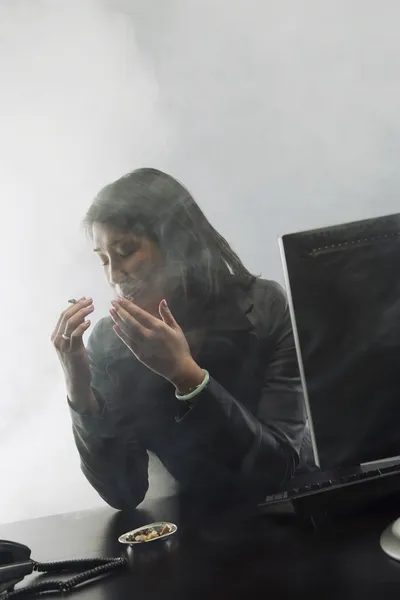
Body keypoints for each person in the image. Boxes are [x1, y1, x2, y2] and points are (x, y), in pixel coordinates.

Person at [51, 168, 307, 511]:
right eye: (103, 260)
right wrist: (81, 394)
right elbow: (123, 492)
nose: (114, 275)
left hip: (291, 516)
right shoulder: (109, 343)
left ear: (176, 244)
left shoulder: (262, 308)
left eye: (126, 251)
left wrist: (187, 376)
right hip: (195, 532)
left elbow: (275, 470)